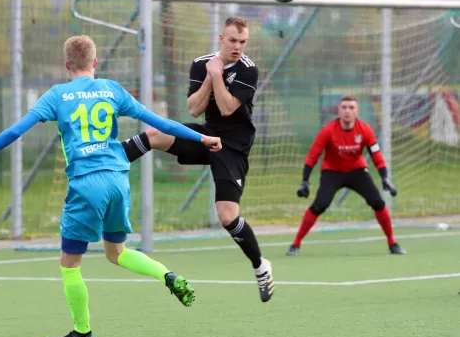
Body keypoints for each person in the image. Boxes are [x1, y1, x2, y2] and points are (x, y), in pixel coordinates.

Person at [0, 35, 223, 337]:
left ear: (67, 65)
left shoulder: (57, 95)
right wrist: (202, 139)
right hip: (117, 178)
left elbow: (16, 130)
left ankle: (82, 332)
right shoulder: (112, 89)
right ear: (95, 63)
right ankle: (167, 276)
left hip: (86, 183)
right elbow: (160, 123)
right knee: (117, 253)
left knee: (70, 262)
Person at [120, 16, 274, 303]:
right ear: (221, 39)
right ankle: (112, 160)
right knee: (155, 134)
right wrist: (209, 74)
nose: (238, 46)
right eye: (232, 41)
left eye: (243, 42)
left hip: (233, 147)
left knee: (227, 216)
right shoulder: (201, 63)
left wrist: (217, 75)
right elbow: (193, 109)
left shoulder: (248, 71)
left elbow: (228, 108)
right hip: (206, 136)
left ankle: (260, 266)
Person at [286, 94, 406, 256]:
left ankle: (392, 243)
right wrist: (305, 181)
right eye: (344, 107)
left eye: (351, 107)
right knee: (319, 205)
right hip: (332, 172)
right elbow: (312, 156)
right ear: (339, 110)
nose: (347, 111)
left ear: (357, 111)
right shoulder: (328, 130)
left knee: (377, 202)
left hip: (357, 172)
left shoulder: (365, 130)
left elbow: (376, 155)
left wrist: (384, 177)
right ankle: (296, 244)